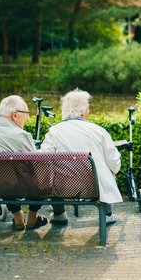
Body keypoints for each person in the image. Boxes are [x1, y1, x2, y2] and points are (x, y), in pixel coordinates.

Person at [40, 89, 122, 225]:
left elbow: (43, 159)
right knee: (106, 171)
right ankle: (107, 214)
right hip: (94, 187)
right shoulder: (98, 131)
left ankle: (59, 214)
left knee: (52, 176)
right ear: (83, 110)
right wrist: (114, 169)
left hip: (63, 188)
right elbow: (113, 161)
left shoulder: (54, 131)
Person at [0, 95, 48, 230]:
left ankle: (17, 215)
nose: (28, 118)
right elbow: (37, 166)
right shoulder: (21, 136)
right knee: (42, 173)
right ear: (15, 115)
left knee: (4, 177)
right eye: (26, 114)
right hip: (19, 187)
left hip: (1, 187)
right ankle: (32, 216)